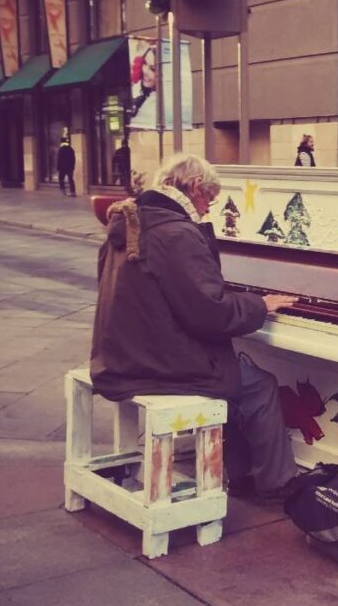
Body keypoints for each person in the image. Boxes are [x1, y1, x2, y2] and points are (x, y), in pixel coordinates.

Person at [90, 153, 302, 503]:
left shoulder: (132, 222)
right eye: (210, 201)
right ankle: (278, 483)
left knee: (235, 372)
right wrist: (260, 304)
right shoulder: (176, 233)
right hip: (154, 366)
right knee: (257, 384)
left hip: (122, 355)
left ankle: (241, 474)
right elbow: (212, 314)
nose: (208, 211)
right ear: (196, 187)